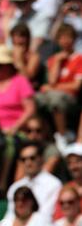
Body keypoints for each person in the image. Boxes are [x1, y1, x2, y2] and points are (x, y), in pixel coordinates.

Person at [36, 24, 82, 152]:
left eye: (68, 37)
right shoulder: (53, 59)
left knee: (56, 98)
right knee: (34, 100)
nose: (65, 41)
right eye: (62, 38)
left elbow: (76, 86)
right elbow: (51, 80)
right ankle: (47, 134)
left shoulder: (79, 59)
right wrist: (57, 62)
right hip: (53, 94)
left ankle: (62, 135)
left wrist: (53, 88)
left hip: (71, 98)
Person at [6, 141, 62, 224]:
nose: (28, 163)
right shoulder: (15, 187)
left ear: (41, 159)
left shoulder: (53, 184)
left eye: (32, 158)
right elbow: (10, 215)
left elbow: (46, 215)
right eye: (24, 159)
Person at [53, 143, 82, 220]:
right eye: (70, 163)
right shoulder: (65, 189)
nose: (73, 166)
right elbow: (58, 218)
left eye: (78, 161)